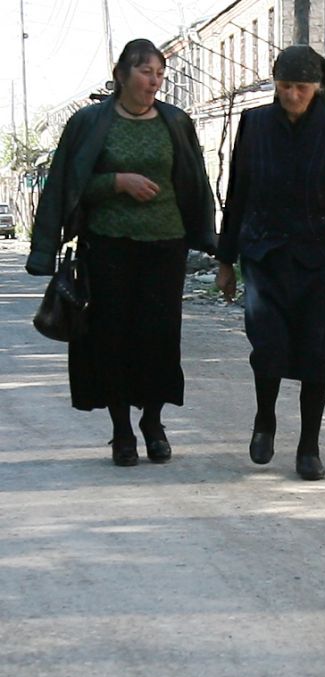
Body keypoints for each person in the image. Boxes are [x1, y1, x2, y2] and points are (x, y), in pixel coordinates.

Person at [28, 39, 217, 466]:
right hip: (108, 247)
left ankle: (153, 421)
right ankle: (121, 432)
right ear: (122, 75)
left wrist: (208, 239)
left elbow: (194, 181)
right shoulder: (90, 123)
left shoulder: (175, 121)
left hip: (165, 246)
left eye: (160, 75)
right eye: (146, 72)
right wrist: (115, 182)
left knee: (160, 337)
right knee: (111, 338)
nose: (154, 82)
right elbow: (67, 183)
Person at [216, 45, 325, 482]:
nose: (291, 95)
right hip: (264, 255)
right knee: (267, 346)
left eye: (301, 88)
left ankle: (309, 446)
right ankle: (264, 419)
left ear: (319, 87)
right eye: (284, 86)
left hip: (318, 258)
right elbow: (238, 193)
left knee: (317, 353)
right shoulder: (255, 124)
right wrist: (226, 259)